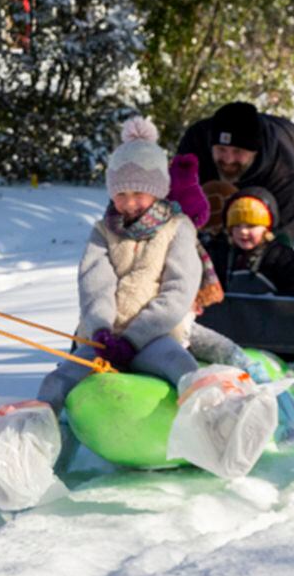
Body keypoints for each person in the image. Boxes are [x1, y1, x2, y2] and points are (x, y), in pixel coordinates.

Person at [37, 118, 208, 411]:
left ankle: (210, 423)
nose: (129, 203)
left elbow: (178, 291)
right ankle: (34, 432)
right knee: (60, 379)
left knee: (184, 368)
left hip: (156, 336)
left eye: (138, 193)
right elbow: (94, 285)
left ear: (157, 190)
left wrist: (133, 339)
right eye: (121, 194)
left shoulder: (178, 229)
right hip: (105, 339)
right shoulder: (103, 231)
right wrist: (102, 331)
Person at [176, 101, 294, 243]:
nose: (228, 159)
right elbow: (178, 195)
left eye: (238, 151)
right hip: (223, 184)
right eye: (221, 149)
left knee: (261, 244)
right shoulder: (194, 144)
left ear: (255, 152)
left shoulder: (281, 167)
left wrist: (279, 248)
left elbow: (282, 229)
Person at [207, 188, 294, 299]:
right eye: (237, 226)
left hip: (271, 314)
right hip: (228, 313)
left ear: (266, 229)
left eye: (251, 226)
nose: (243, 231)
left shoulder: (279, 256)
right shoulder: (220, 255)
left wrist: (279, 301)